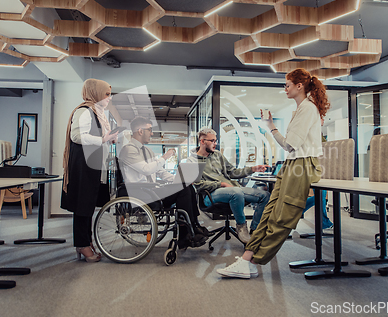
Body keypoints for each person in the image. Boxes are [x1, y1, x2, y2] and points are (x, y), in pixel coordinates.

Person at [217, 68, 329, 278]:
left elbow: (290, 145)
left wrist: (271, 127)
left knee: (281, 218)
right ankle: (246, 259)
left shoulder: (308, 109)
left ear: (299, 86)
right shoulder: (301, 110)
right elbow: (291, 147)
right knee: (269, 213)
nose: (284, 89)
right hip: (293, 164)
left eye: (287, 85)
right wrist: (271, 127)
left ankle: (253, 260)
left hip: (301, 165)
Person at [118, 116, 208, 249]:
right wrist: (165, 157)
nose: (152, 133)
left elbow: (160, 172)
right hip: (140, 194)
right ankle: (186, 233)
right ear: (140, 131)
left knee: (186, 187)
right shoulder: (128, 150)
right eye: (149, 130)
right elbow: (147, 170)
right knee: (183, 190)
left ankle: (193, 226)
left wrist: (181, 180)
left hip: (151, 191)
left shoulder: (147, 150)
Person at [61, 79, 118, 262]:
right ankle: (82, 245)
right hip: (83, 165)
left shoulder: (97, 112)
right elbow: (77, 136)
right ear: (95, 93)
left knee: (87, 206)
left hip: (90, 165)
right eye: (106, 94)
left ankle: (85, 242)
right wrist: (103, 139)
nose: (109, 97)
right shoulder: (84, 111)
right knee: (82, 206)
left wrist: (108, 138)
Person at [187, 127, 270, 243]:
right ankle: (241, 226)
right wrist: (221, 184)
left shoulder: (217, 155)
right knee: (236, 192)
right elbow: (198, 185)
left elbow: (233, 172)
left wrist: (252, 169)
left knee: (265, 195)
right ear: (202, 141)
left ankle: (255, 231)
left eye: (216, 141)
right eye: (212, 141)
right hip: (210, 195)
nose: (215, 144)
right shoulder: (192, 161)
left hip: (232, 189)